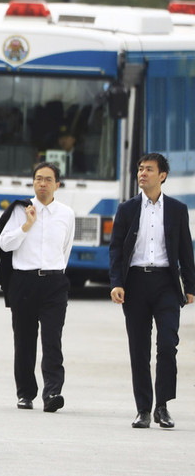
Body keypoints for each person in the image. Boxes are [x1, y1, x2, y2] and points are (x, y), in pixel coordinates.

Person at [109, 153, 195, 429]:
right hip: (135, 284)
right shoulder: (127, 209)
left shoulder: (177, 210)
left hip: (167, 284)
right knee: (139, 349)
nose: (142, 174)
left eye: (149, 170)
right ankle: (143, 409)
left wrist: (190, 286)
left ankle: (163, 406)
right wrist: (116, 282)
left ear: (163, 176)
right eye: (140, 169)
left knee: (168, 344)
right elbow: (116, 249)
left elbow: (186, 250)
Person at [0, 162, 74, 413]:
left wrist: (56, 270)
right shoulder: (20, 210)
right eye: (38, 179)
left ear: (57, 185)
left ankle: (52, 391)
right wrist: (26, 226)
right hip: (24, 282)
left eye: (48, 180)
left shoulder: (66, 214)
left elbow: (66, 249)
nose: (42, 183)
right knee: (25, 340)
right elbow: (4, 244)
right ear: (33, 182)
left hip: (54, 283)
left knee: (53, 340)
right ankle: (25, 393)